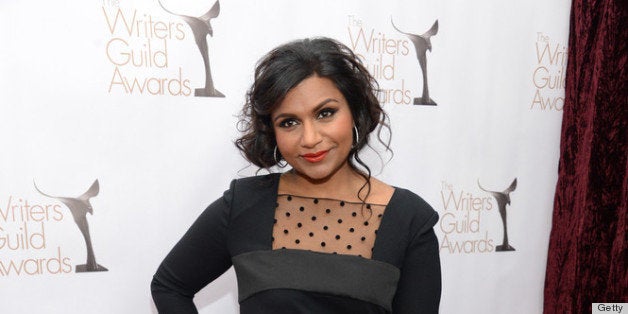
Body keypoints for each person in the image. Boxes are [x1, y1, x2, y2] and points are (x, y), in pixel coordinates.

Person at [151, 37, 441, 314]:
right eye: (289, 122)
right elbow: (169, 286)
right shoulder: (243, 206)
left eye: (325, 113)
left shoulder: (409, 220)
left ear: (355, 111)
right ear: (272, 131)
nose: (310, 138)